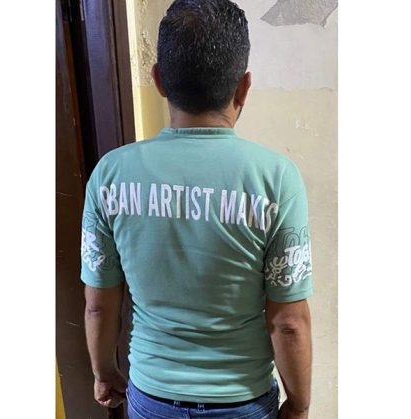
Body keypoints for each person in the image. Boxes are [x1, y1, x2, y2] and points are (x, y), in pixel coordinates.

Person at [80, 0, 313, 417]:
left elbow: (99, 303)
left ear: (158, 80)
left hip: (152, 398)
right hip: (242, 401)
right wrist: (298, 404)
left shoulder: (110, 175)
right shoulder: (277, 178)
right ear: (243, 87)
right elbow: (288, 322)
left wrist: (103, 371)